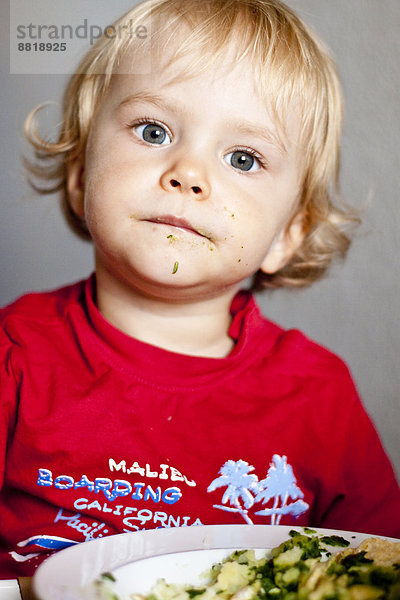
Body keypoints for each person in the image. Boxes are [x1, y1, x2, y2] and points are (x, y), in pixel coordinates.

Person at [1, 0, 399, 579]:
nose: (190, 173)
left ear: (287, 236)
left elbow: (376, 572)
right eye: (154, 130)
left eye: (243, 158)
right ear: (82, 172)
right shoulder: (15, 354)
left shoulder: (320, 399)